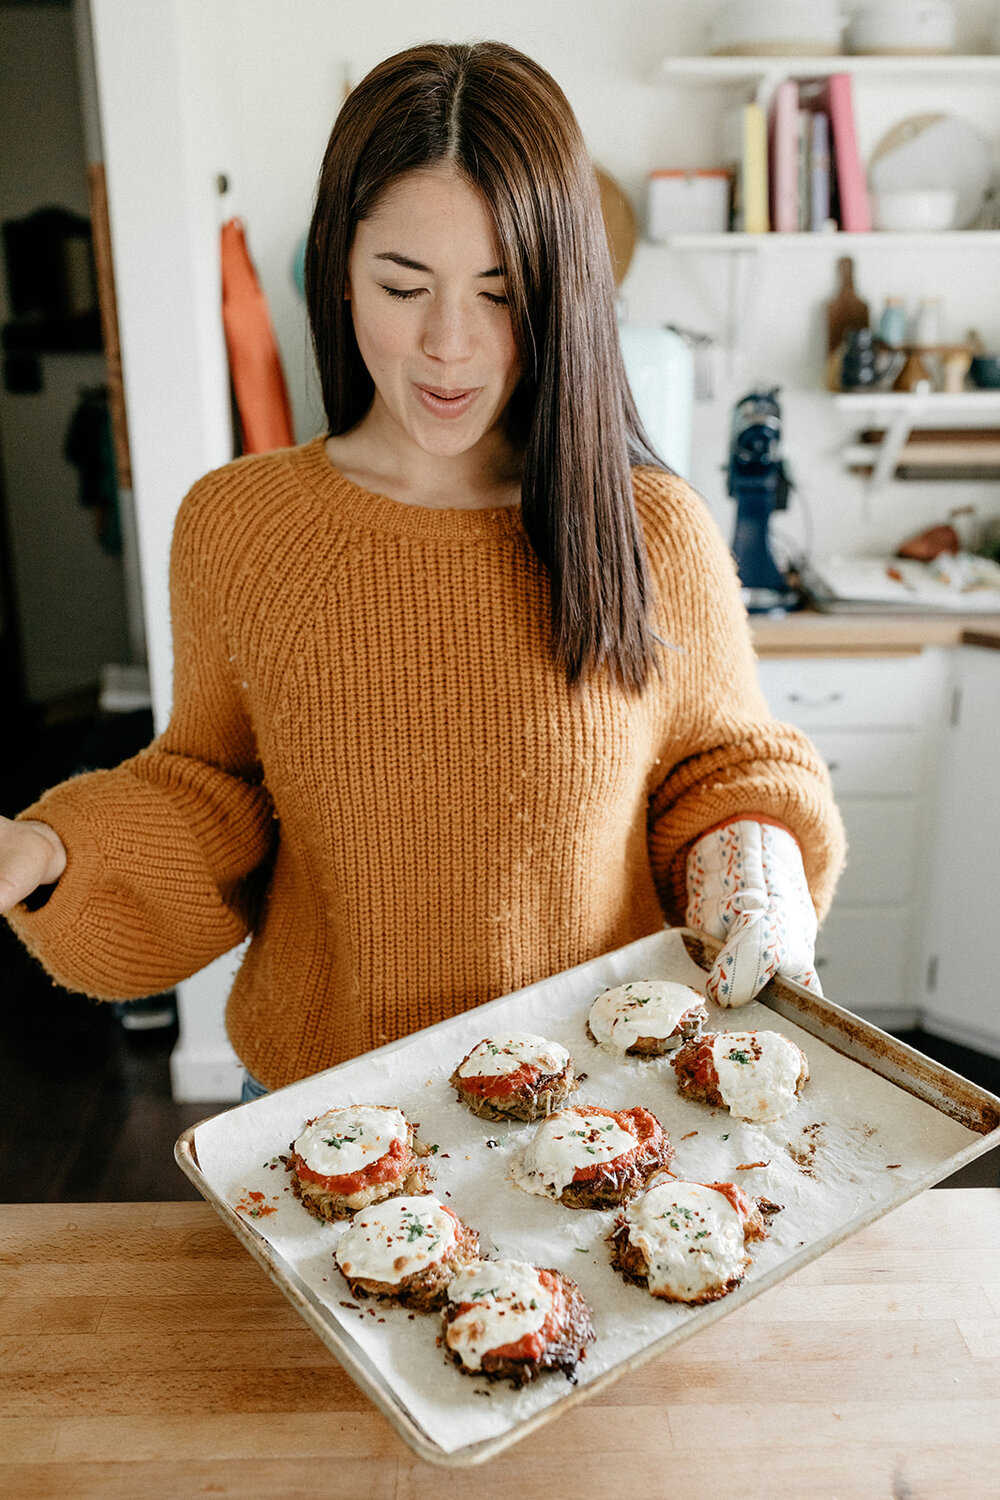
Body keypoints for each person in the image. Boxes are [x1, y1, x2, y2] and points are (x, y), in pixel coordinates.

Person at [0, 41, 844, 1098]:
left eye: (501, 292)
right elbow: (212, 794)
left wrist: (755, 878)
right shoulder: (238, 526)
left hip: (596, 1108)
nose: (450, 345)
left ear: (562, 294)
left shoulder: (649, 529)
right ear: (338, 274)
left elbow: (715, 777)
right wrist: (49, 847)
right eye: (404, 285)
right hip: (326, 1114)